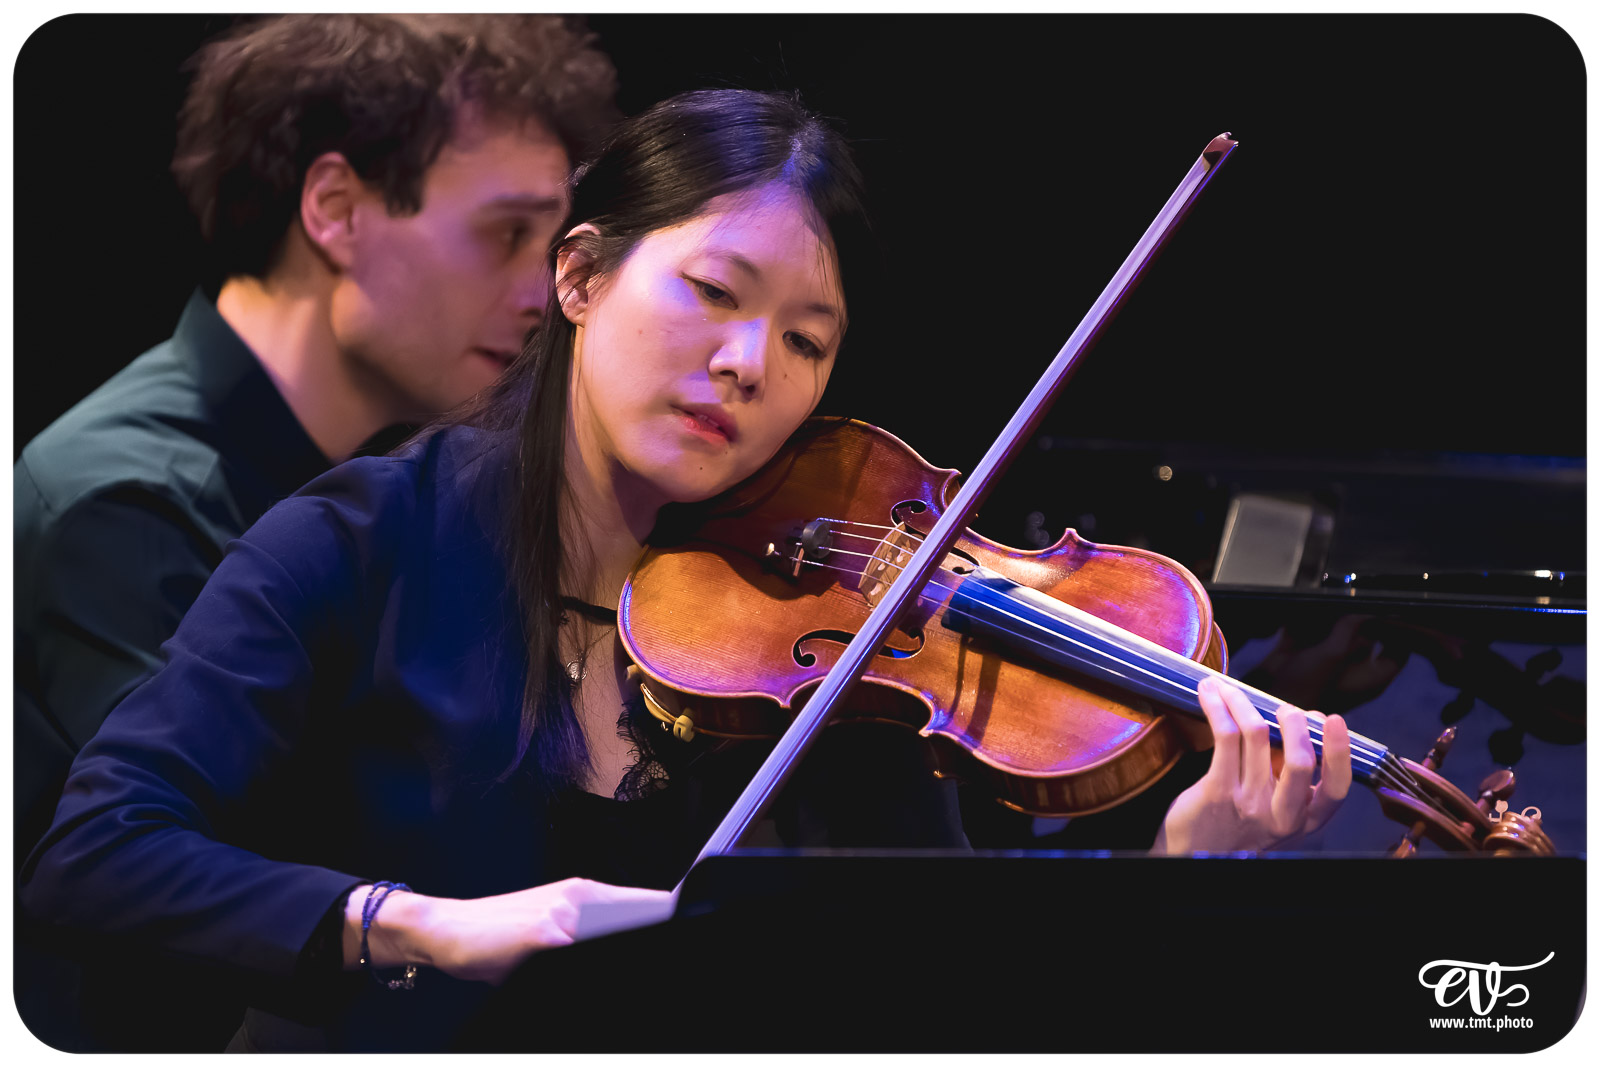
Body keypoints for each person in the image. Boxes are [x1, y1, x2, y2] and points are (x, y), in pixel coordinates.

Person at [20, 89, 1352, 1053]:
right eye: (716, 292)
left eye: (807, 338)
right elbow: (98, 850)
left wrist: (1184, 865)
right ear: (584, 275)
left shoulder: (844, 634)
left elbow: (954, 990)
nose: (750, 363)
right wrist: (421, 924)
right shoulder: (359, 539)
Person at [12, 13, 617, 1051]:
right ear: (336, 208)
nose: (540, 296)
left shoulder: (396, 481)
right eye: (505, 233)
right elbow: (209, 854)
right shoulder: (123, 497)